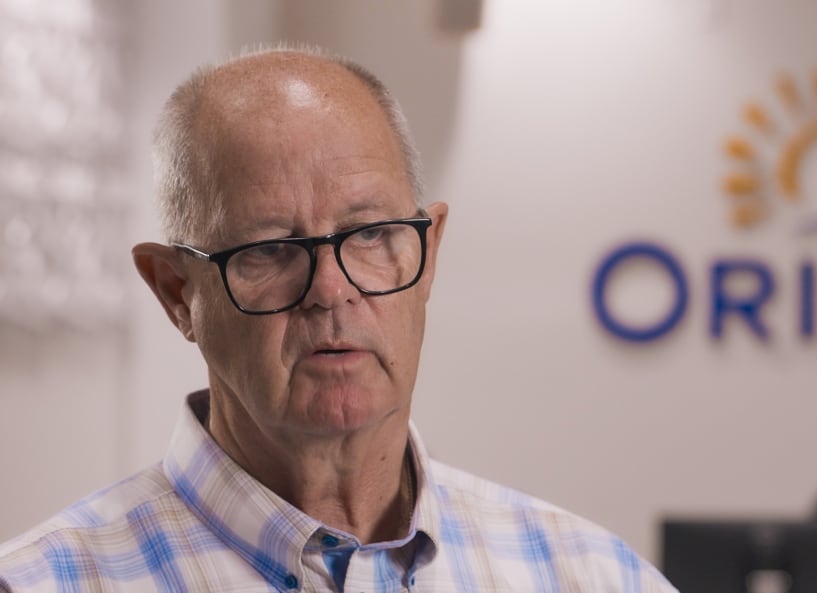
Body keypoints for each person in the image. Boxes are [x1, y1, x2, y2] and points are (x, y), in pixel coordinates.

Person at [0, 46, 677, 593]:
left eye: (371, 234)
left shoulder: (595, 577)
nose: (330, 290)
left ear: (429, 253)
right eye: (270, 248)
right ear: (177, 292)